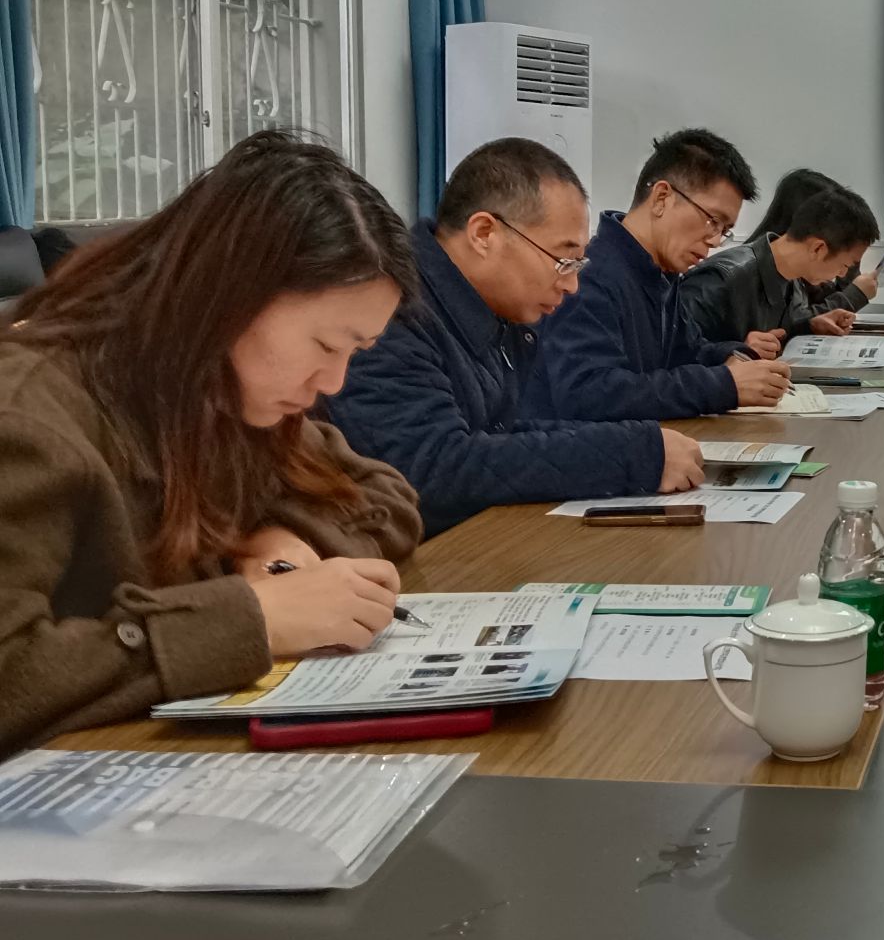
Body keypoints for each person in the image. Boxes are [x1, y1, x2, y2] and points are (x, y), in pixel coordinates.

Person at [0, 132, 422, 754]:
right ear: (228, 298)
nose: (333, 382)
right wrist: (254, 619)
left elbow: (384, 494)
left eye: (355, 352)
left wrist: (279, 539)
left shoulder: (217, 389)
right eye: (326, 345)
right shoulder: (30, 417)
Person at [328, 139, 706, 538]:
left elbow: (498, 434)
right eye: (563, 260)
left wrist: (637, 445)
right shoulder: (393, 309)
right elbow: (436, 466)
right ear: (484, 233)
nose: (572, 285)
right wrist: (634, 454)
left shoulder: (489, 308)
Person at [541, 130, 792, 422]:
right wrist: (723, 385)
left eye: (724, 230)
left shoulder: (660, 272)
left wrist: (731, 357)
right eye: (712, 220)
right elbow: (590, 393)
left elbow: (688, 352)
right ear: (662, 197)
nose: (714, 240)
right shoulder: (590, 277)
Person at [674, 182, 880, 349]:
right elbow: (671, 356)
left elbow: (781, 328)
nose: (842, 274)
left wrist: (809, 326)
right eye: (844, 265)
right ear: (818, 248)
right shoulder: (721, 280)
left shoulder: (791, 277)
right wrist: (736, 351)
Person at [745, 168, 879, 336]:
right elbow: (796, 319)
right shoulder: (751, 271)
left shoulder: (803, 269)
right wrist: (855, 295)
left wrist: (849, 257)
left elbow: (800, 320)